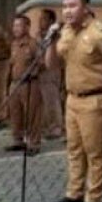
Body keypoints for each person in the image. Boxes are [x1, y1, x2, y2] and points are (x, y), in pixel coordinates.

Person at [46, 0, 102, 202]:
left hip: (95, 99)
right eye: (65, 6)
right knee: (74, 149)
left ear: (86, 7)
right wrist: (50, 43)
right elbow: (52, 65)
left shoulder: (101, 34)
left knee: (95, 152)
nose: (67, 11)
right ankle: (74, 194)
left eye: (73, 6)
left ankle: (93, 199)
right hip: (72, 99)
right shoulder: (66, 33)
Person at [5, 15, 42, 156]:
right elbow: (11, 65)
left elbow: (41, 63)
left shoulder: (33, 44)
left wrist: (32, 72)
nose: (16, 29)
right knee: (15, 113)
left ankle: (34, 143)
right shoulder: (14, 44)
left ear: (27, 27)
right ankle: (17, 140)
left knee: (32, 114)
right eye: (14, 26)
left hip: (29, 84)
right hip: (15, 84)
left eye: (19, 26)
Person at [37, 9, 64, 139]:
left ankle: (55, 128)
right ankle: (44, 127)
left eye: (44, 19)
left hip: (51, 71)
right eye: (40, 19)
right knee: (41, 101)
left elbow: (57, 54)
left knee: (51, 100)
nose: (40, 22)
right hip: (39, 72)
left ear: (51, 21)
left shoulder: (56, 37)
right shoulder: (39, 36)